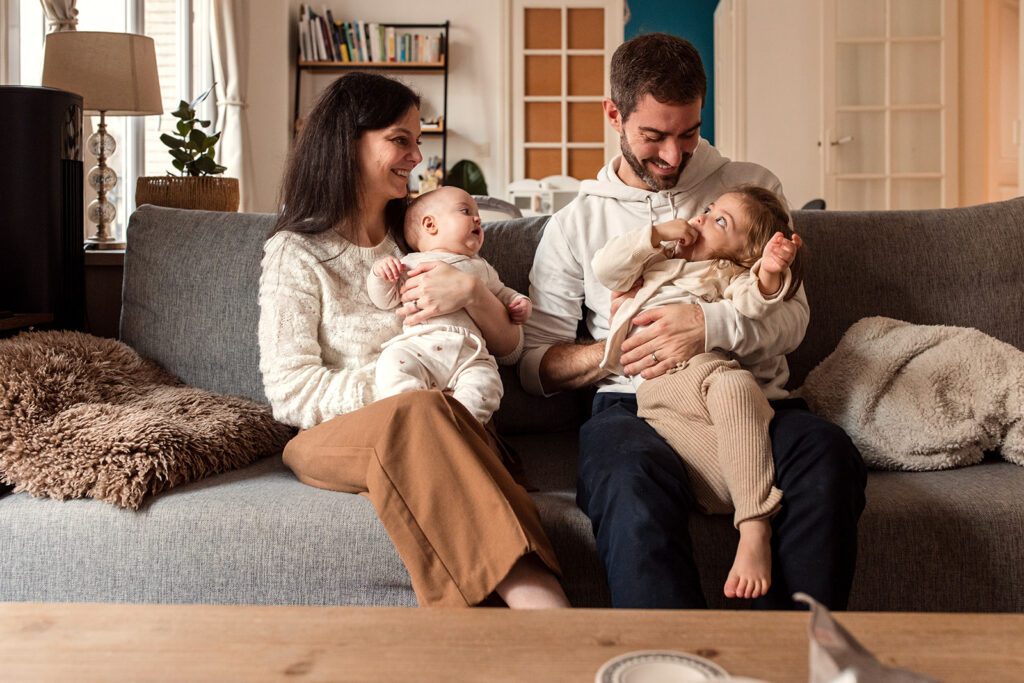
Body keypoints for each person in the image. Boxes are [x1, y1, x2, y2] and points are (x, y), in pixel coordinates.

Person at [521, 33, 867, 610]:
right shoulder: (576, 224)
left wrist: (705, 326)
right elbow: (535, 367)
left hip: (753, 396)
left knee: (828, 458)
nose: (673, 157)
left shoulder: (750, 191)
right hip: (634, 405)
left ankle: (788, 660)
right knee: (627, 487)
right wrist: (612, 351)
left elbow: (792, 320)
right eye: (653, 136)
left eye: (688, 134)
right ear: (614, 114)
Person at [259, 72, 569, 609]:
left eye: (417, 142)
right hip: (336, 436)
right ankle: (544, 609)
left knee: (426, 418)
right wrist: (406, 394)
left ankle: (478, 633)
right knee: (419, 413)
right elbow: (290, 391)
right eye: (400, 140)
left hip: (441, 426)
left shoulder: (425, 242)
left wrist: (472, 291)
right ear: (347, 142)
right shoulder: (297, 253)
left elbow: (510, 351)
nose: (416, 158)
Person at [593, 185, 802, 600]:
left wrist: (768, 272)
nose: (703, 217)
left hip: (704, 378)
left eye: (721, 221)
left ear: (743, 254)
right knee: (735, 390)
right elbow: (607, 269)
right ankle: (753, 517)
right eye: (709, 209)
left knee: (734, 394)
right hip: (656, 384)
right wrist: (654, 235)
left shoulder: (730, 275)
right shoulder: (659, 260)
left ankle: (743, 514)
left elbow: (754, 304)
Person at [367, 186, 532, 424]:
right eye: (465, 211)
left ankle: (462, 424)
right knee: (391, 364)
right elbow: (385, 299)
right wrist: (380, 273)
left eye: (478, 215)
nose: (477, 218)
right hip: (419, 347)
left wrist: (518, 302)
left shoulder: (481, 267)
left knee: (487, 383)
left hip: (469, 352)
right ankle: (416, 414)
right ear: (430, 225)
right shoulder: (409, 263)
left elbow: (503, 293)